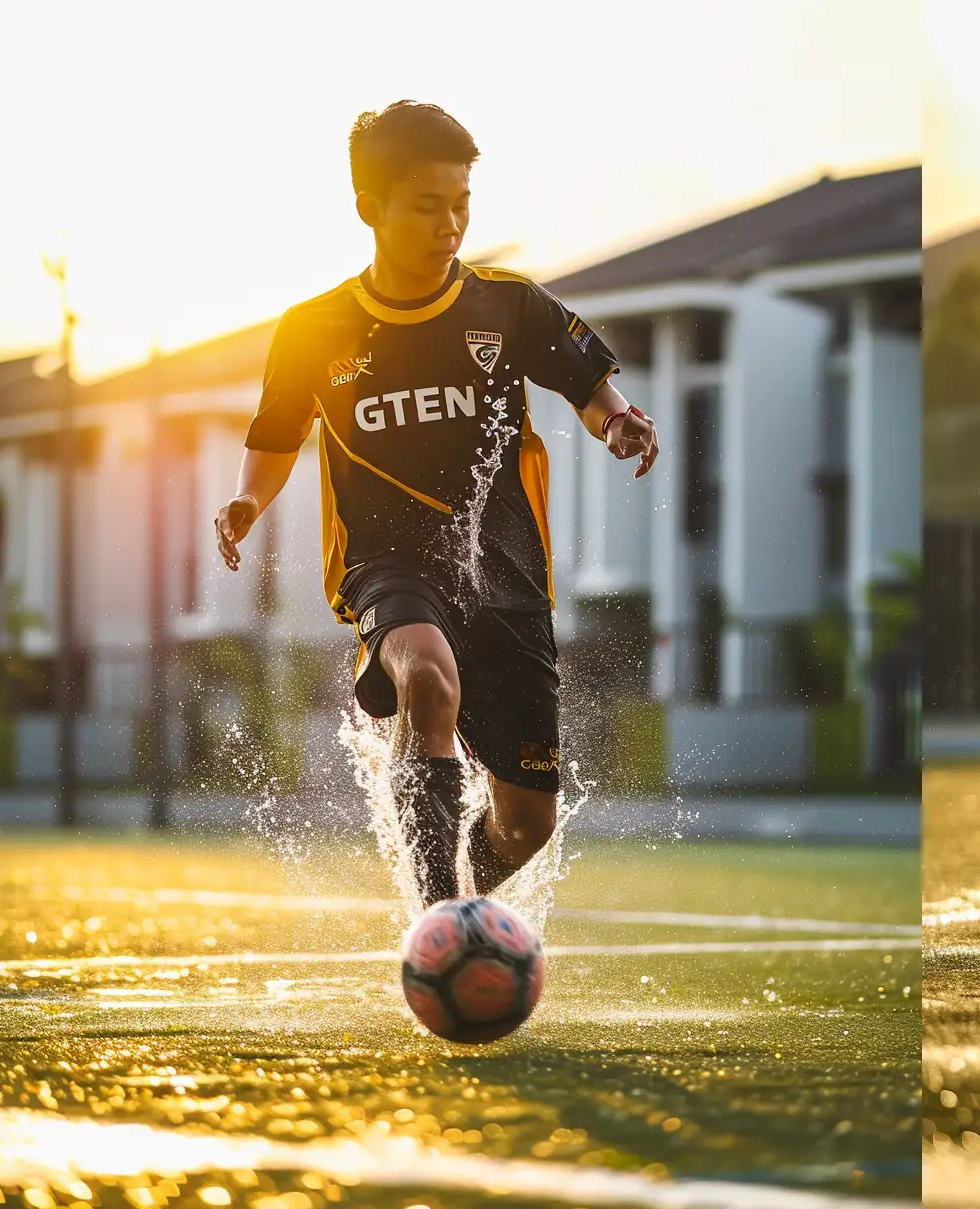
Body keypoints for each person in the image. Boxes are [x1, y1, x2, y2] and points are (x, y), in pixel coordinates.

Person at [213, 101, 658, 909]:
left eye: (462, 204)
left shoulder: (509, 306)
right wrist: (249, 497)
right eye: (428, 206)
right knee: (428, 678)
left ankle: (464, 908)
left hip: (508, 579)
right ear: (370, 209)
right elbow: (276, 434)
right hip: (387, 567)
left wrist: (619, 422)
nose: (450, 223)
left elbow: (590, 386)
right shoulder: (314, 328)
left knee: (526, 824)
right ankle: (437, 919)